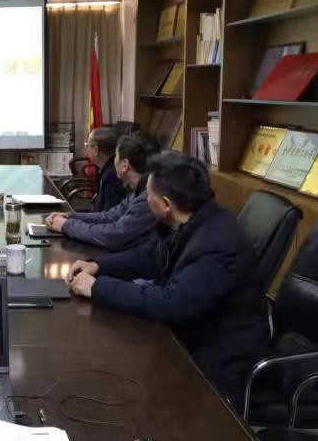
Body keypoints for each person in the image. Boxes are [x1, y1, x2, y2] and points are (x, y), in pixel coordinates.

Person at [66, 152, 270, 405]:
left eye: (147, 194)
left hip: (217, 365)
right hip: (190, 338)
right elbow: (152, 257)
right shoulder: (193, 220)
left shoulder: (217, 245)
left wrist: (98, 288)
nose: (144, 199)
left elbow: (170, 303)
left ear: (165, 204)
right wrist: (98, 266)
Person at [45, 133, 161, 251]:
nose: (113, 161)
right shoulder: (138, 189)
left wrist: (66, 225)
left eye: (116, 156)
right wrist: (70, 216)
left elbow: (113, 236)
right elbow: (110, 216)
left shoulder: (148, 198)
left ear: (125, 165)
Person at [86, 125, 129, 212]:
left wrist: (71, 217)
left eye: (87, 145)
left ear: (96, 150)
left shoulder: (112, 176)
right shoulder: (106, 168)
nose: (86, 148)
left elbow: (107, 214)